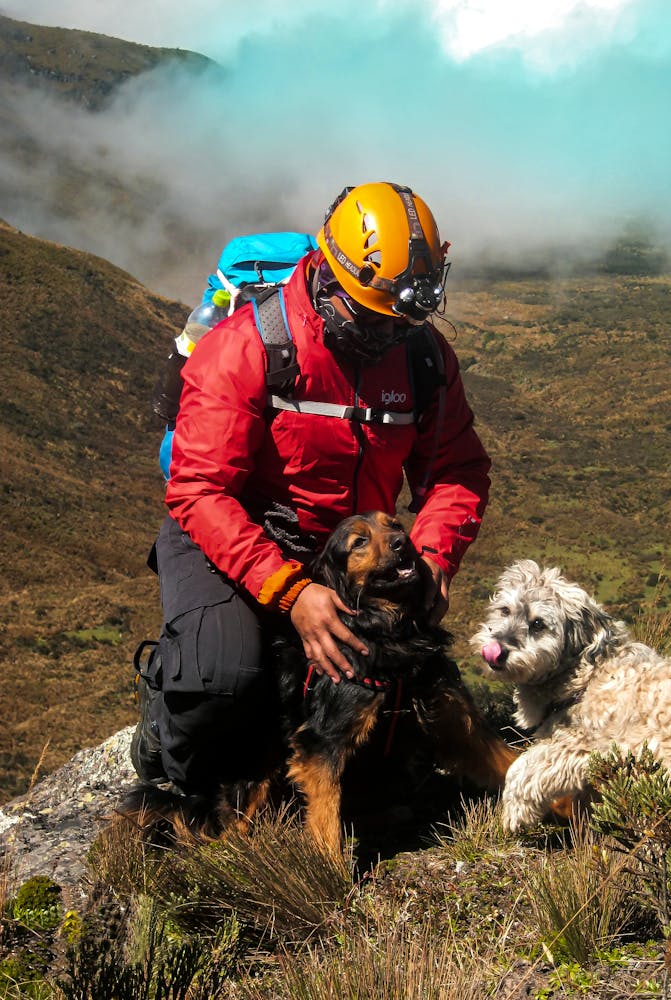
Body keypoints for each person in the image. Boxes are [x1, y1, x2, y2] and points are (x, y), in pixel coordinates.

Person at [131, 181, 491, 795]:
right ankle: (166, 736)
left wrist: (431, 558)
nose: (391, 335)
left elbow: (455, 471)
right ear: (328, 275)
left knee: (392, 726)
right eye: (376, 319)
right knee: (224, 682)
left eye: (404, 321)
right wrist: (290, 592)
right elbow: (198, 490)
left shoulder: (422, 357)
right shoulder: (245, 347)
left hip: (345, 549)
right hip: (230, 532)